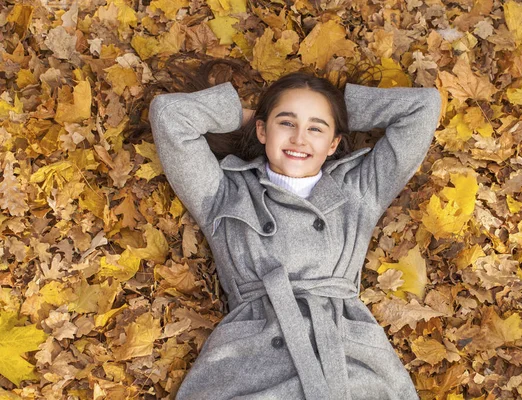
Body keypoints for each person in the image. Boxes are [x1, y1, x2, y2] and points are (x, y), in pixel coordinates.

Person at [149, 65, 441, 399]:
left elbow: (423, 106)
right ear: (262, 130)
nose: (299, 138)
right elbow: (170, 114)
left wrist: (337, 111)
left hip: (344, 355)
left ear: (334, 144)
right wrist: (255, 115)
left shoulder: (359, 190)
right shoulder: (223, 192)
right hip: (252, 357)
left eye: (316, 129)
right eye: (286, 123)